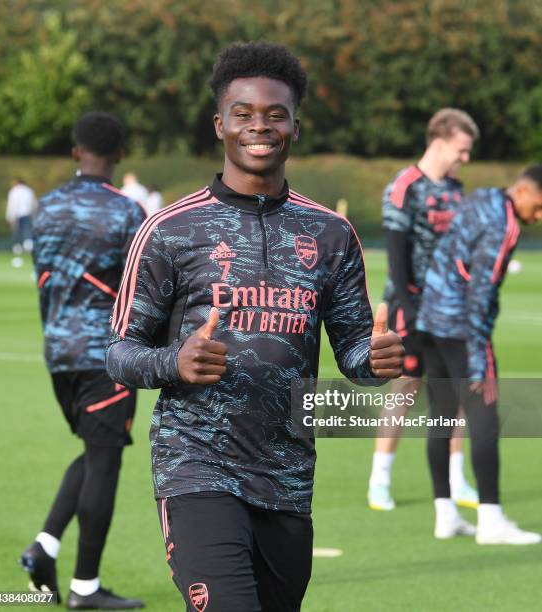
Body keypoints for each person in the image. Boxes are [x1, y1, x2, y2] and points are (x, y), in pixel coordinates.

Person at [106, 42, 404, 612]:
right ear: (220, 125)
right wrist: (175, 362)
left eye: (275, 114)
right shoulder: (170, 230)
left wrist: (377, 359)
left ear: (296, 125)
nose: (259, 126)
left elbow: (354, 355)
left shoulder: (331, 233)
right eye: (243, 114)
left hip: (289, 476)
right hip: (196, 469)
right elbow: (119, 352)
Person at [20, 111, 147, 609]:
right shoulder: (127, 212)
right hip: (105, 357)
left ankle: (44, 548)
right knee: (106, 458)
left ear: (75, 153)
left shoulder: (46, 208)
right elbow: (142, 293)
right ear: (119, 156)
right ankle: (84, 590)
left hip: (58, 353)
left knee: (97, 451)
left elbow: (44, 283)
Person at [417, 165, 542, 543]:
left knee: (440, 416)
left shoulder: (483, 196)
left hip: (430, 320)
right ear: (523, 190)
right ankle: (491, 520)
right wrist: (477, 357)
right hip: (461, 329)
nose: (540, 216)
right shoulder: (506, 224)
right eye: (539, 205)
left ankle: (446, 515)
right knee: (484, 417)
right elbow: (481, 293)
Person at [367, 108, 480, 511]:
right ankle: (380, 478)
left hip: (451, 309)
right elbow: (397, 256)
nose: (465, 158)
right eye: (462, 150)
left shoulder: (455, 189)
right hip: (411, 307)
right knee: (406, 387)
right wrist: (411, 309)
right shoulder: (404, 187)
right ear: (441, 141)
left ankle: (455, 478)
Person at [6, 178, 38, 254]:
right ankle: (28, 247)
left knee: (17, 231)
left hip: (17, 214)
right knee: (26, 230)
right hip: (27, 213)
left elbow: (12, 204)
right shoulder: (29, 190)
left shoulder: (14, 191)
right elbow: (34, 203)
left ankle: (17, 248)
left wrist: (10, 216)